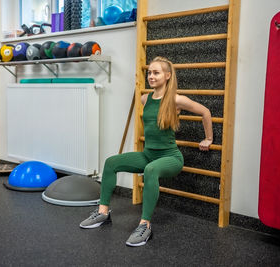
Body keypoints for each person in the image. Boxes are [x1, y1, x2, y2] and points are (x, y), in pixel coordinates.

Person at [79, 56, 213, 247]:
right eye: (149, 72)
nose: (151, 76)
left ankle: (145, 225)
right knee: (111, 162)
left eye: (156, 72)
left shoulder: (176, 99)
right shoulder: (145, 98)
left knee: (150, 169)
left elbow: (205, 112)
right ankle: (102, 212)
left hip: (170, 158)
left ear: (167, 75)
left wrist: (208, 139)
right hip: (148, 154)